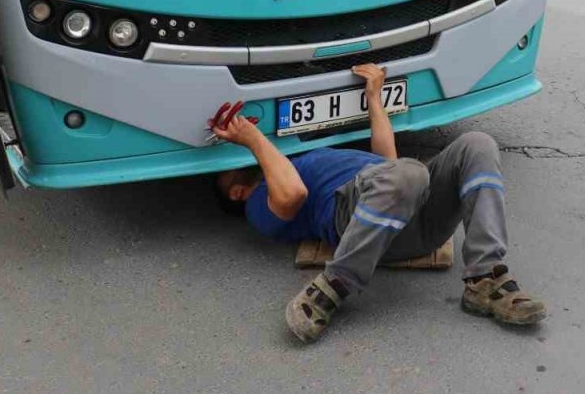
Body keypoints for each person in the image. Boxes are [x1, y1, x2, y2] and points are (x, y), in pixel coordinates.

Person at [211, 64, 547, 344]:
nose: (234, 161)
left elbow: (386, 161)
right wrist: (254, 140)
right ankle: (336, 283)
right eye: (226, 173)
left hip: (413, 211)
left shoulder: (299, 163)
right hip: (359, 220)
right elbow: (292, 195)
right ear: (236, 192)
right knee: (410, 173)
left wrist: (374, 96)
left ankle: (485, 278)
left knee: (477, 144)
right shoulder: (259, 203)